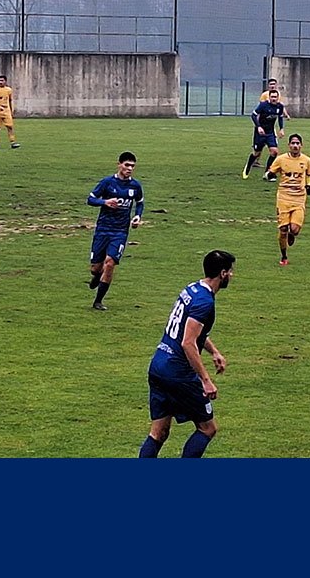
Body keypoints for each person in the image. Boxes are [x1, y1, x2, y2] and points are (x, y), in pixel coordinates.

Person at [139, 249, 235, 459]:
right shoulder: (205, 302)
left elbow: (190, 331)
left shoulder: (192, 289)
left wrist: (214, 351)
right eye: (230, 271)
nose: (232, 275)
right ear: (222, 273)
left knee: (158, 433)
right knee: (207, 428)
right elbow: (188, 342)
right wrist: (206, 380)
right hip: (178, 373)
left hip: (158, 365)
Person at [87, 151, 145, 311]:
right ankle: (97, 275)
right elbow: (90, 199)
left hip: (120, 231)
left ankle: (98, 301)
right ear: (119, 164)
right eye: (127, 165)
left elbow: (140, 203)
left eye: (132, 166)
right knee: (96, 268)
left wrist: (137, 217)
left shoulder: (135, 186)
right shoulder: (107, 183)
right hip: (103, 230)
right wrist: (104, 202)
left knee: (110, 263)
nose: (130, 168)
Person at [266, 133, 310, 267]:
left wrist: (309, 185)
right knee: (282, 229)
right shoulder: (281, 159)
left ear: (301, 145)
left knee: (294, 229)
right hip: (283, 198)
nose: (295, 146)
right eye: (293, 143)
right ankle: (284, 256)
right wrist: (269, 174)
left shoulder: (306, 160)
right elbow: (270, 172)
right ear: (289, 145)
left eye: (297, 143)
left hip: (299, 199)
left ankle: (291, 234)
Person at [242, 90, 287, 179]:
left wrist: (281, 129)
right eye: (272, 97)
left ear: (278, 97)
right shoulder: (263, 105)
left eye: (275, 97)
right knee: (256, 153)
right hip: (260, 133)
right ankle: (248, 167)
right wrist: (258, 126)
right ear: (269, 97)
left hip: (270, 132)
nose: (274, 99)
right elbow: (253, 115)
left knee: (274, 152)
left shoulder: (280, 106)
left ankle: (267, 173)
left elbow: (280, 117)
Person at [0, 74, 19, 149]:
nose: (0, 82)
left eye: (2, 80)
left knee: (10, 127)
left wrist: (12, 111)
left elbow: (10, 100)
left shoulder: (9, 90)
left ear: (5, 81)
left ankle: (13, 142)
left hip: (6, 111)